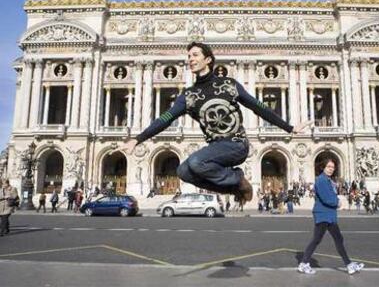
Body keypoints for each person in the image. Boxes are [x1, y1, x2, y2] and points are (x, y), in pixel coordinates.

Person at [124, 42, 311, 203]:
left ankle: (237, 178)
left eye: (195, 55)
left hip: (237, 144)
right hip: (216, 148)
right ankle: (234, 188)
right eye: (189, 56)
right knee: (183, 171)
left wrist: (290, 128)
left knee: (197, 161)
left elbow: (258, 106)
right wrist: (137, 139)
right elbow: (164, 119)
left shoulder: (228, 85)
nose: (190, 59)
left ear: (208, 60)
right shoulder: (189, 96)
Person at [297, 159, 364, 275]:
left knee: (335, 239)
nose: (331, 169)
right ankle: (304, 263)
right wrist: (337, 202)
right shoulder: (321, 180)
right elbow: (326, 198)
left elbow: (330, 195)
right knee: (319, 240)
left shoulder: (327, 180)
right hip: (323, 214)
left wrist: (336, 201)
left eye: (333, 167)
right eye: (328, 167)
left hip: (328, 214)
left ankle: (349, 265)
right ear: (323, 167)